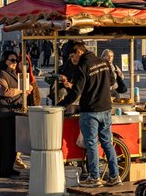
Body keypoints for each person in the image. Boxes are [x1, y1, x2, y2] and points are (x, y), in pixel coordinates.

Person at [58, 41, 121, 187]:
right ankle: (115, 176)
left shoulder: (82, 66)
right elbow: (112, 80)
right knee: (107, 143)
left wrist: (61, 105)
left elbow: (75, 92)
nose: (72, 60)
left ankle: (94, 177)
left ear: (79, 52)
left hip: (90, 111)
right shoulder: (104, 62)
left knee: (91, 144)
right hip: (105, 109)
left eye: (72, 56)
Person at [0, 51, 27, 178]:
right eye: (12, 60)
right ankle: (0, 170)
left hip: (13, 112)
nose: (14, 63)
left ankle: (8, 167)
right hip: (3, 112)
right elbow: (4, 91)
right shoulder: (0, 74)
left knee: (12, 143)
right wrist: (21, 90)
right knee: (4, 143)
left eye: (16, 60)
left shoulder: (14, 74)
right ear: (5, 60)